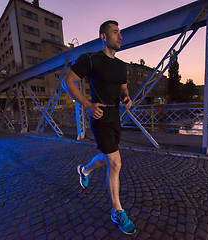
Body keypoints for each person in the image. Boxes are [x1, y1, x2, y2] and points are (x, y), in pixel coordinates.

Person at [63, 20, 136, 235]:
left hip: (115, 118)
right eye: (115, 32)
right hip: (100, 116)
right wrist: (87, 105)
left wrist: (127, 98)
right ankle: (117, 211)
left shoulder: (121, 65)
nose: (120, 36)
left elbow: (123, 89)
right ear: (104, 37)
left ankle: (84, 169)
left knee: (107, 158)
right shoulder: (91, 59)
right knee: (116, 162)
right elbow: (69, 81)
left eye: (120, 33)